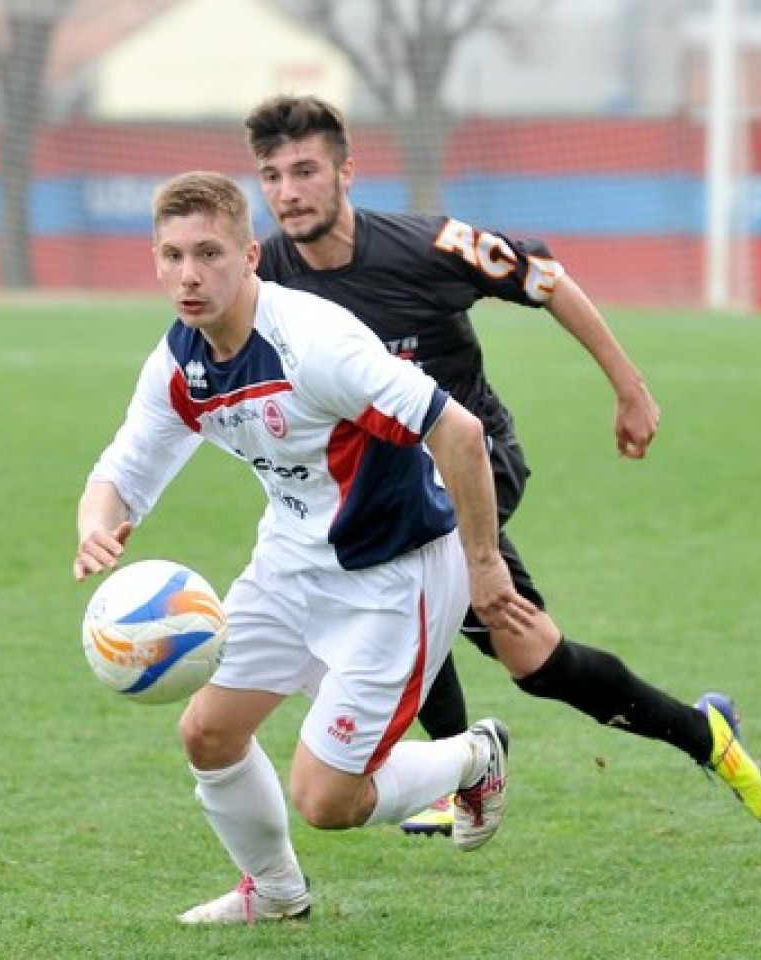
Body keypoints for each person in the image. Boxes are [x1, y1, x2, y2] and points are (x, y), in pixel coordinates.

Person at [242, 95, 761, 830]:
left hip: (476, 462)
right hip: (382, 487)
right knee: (535, 660)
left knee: (395, 588)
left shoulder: (427, 248)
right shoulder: (261, 275)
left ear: (347, 173)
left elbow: (546, 278)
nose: (288, 192)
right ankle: (702, 732)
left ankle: (465, 776)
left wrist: (629, 387)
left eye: (305, 170)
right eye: (271, 176)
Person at [73, 172, 535, 924]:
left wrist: (485, 566)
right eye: (172, 255)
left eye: (209, 254)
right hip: (292, 559)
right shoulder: (180, 362)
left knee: (327, 800)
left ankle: (473, 757)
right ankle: (278, 895)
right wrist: (97, 523)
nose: (189, 275)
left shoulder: (315, 344)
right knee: (208, 732)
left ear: (250, 256)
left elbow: (459, 431)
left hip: (395, 571)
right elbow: (124, 467)